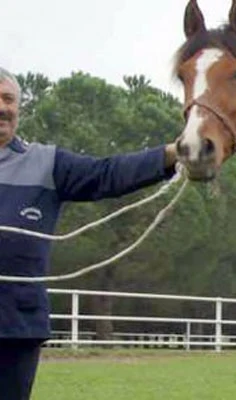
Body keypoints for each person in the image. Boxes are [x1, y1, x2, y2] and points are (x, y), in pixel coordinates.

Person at [0, 67, 179, 399]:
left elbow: (105, 174)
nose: (2, 107)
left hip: (16, 326)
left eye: (8, 99)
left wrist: (171, 154)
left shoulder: (46, 163)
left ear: (18, 108)